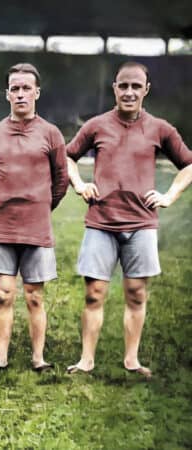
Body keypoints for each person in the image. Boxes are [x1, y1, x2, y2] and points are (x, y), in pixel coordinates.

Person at [66, 61, 192, 379]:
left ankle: (132, 361)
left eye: (136, 86)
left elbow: (188, 165)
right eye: (123, 85)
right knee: (94, 293)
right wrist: (80, 185)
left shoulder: (161, 129)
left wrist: (169, 195)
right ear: (114, 89)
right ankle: (86, 361)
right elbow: (67, 156)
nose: (129, 92)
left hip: (141, 225)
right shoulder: (96, 126)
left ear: (146, 90)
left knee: (136, 293)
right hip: (101, 222)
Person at [0, 63, 68, 372]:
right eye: (15, 89)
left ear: (37, 93)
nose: (20, 94)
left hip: (37, 228)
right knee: (3, 295)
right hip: (2, 227)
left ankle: (38, 359)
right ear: (7, 94)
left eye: (26, 88)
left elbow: (61, 180)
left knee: (34, 297)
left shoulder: (51, 134)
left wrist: (43, 207)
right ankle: (0, 358)